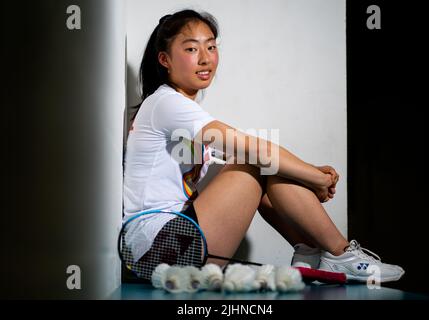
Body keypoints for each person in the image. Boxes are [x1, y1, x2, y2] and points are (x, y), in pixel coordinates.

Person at [123, 9, 404, 283]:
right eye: (192, 49)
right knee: (255, 160)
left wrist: (306, 171)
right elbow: (251, 150)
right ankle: (339, 252)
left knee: (262, 164)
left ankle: (313, 250)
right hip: (158, 250)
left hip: (170, 246)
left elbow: (247, 160)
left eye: (211, 47)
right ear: (165, 59)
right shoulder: (167, 103)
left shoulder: (174, 108)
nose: (206, 59)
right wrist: (315, 177)